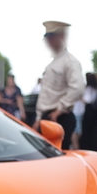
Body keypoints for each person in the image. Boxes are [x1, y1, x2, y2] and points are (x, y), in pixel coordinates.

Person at [35, 21, 85, 149]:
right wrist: (39, 118)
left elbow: (78, 88)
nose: (48, 42)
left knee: (57, 159)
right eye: (47, 38)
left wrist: (60, 110)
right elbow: (46, 95)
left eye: (51, 38)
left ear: (61, 37)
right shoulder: (54, 63)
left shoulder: (70, 62)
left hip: (59, 117)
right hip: (49, 117)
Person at [79, 73, 97, 151]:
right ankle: (94, 145)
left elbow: (87, 100)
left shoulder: (89, 89)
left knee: (87, 130)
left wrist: (81, 98)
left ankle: (87, 146)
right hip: (95, 112)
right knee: (94, 130)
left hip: (89, 111)